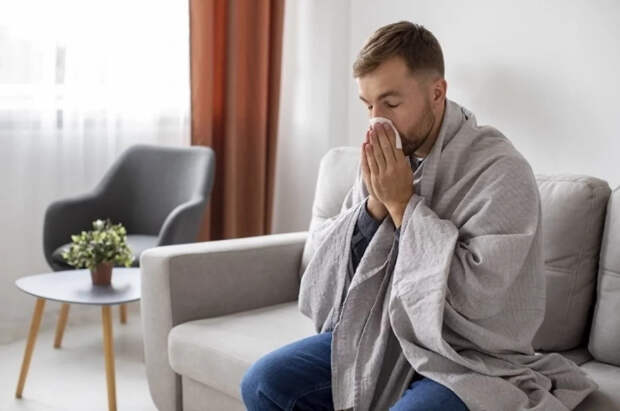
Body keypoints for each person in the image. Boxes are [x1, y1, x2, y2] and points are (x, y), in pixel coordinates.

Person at [241, 21, 596, 411]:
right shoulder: (385, 158)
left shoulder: (501, 171)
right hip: (382, 335)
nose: (377, 121)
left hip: (467, 359)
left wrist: (402, 206)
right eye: (368, 105)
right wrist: (375, 207)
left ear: (437, 93)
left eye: (391, 104)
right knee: (263, 383)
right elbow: (339, 278)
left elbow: (478, 298)